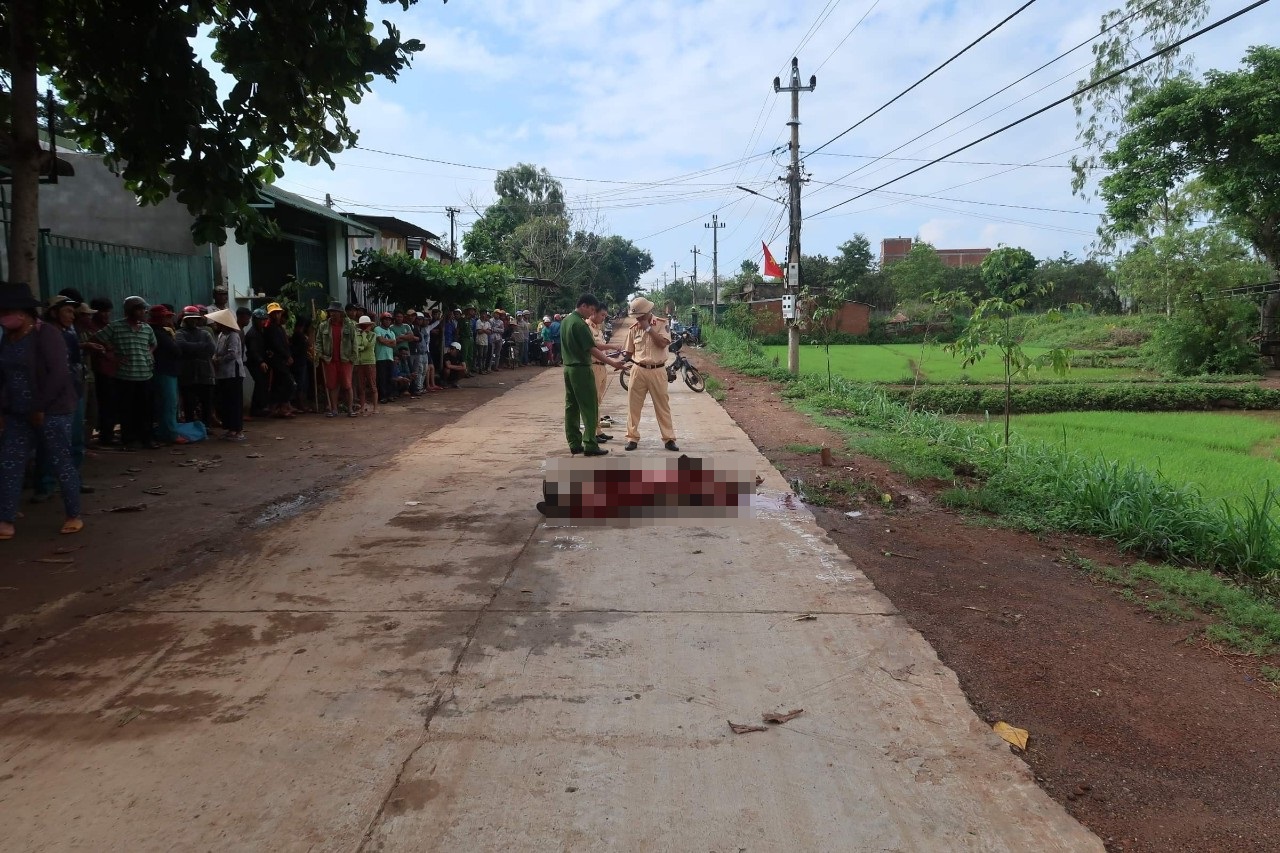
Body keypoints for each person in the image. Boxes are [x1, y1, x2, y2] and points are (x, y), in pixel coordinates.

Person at [0, 282, 84, 539]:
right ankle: (6, 518)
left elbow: (58, 374)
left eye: (6, 312)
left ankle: (73, 514)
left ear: (23, 312)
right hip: (17, 411)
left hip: (52, 409)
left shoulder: (45, 334)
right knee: (10, 463)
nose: (3, 318)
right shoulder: (8, 337)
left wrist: (40, 407)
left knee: (60, 461)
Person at [33, 295, 93, 503]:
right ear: (53, 312)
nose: (71, 315)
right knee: (49, 443)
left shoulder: (69, 334)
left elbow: (74, 364)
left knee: (75, 441)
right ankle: (45, 485)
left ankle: (72, 480)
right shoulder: (40, 335)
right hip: (51, 398)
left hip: (72, 394)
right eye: (67, 311)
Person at [560, 293, 624, 457]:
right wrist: (614, 363)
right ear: (584, 306)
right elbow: (592, 349)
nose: (592, 314)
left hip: (568, 368)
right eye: (592, 310)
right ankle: (590, 443)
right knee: (590, 407)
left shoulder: (566, 321)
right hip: (581, 369)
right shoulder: (580, 325)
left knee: (571, 407)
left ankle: (574, 443)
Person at [94, 295, 158, 450]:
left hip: (145, 374)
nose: (144, 312)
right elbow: (96, 339)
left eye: (144, 309)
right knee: (127, 410)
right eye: (140, 309)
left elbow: (153, 344)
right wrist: (110, 355)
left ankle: (147, 439)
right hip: (125, 376)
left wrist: (148, 354)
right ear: (130, 310)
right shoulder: (115, 327)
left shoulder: (146, 328)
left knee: (146, 410)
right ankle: (129, 440)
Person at [623, 296, 679, 452]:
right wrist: (619, 359)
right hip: (638, 370)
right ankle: (632, 438)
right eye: (636, 316)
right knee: (633, 406)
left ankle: (669, 439)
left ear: (649, 312)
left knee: (662, 406)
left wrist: (648, 328)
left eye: (640, 315)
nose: (638, 318)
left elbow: (662, 344)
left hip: (657, 370)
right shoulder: (634, 328)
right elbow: (629, 351)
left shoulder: (662, 324)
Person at [147, 304, 184, 444]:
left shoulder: (160, 331)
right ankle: (170, 433)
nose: (169, 319)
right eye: (167, 316)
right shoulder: (159, 333)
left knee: (167, 403)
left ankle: (166, 431)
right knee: (169, 403)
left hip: (165, 370)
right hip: (164, 371)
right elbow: (176, 351)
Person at [208, 308, 246, 441]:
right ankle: (230, 428)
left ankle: (237, 429)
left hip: (233, 373)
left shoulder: (233, 335)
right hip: (223, 373)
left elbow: (233, 354)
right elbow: (217, 350)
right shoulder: (221, 335)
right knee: (225, 402)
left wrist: (218, 360)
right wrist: (214, 358)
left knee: (234, 402)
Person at [176, 305, 217, 428]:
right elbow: (181, 347)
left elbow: (211, 349)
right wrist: (200, 346)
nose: (193, 320)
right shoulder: (179, 333)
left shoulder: (205, 333)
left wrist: (192, 348)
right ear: (185, 319)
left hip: (205, 373)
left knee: (207, 403)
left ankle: (206, 427)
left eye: (195, 318)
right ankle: (190, 428)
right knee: (189, 404)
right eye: (190, 318)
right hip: (187, 374)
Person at [316, 300, 356, 418]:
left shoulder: (349, 325)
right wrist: (319, 354)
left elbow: (354, 342)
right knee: (332, 385)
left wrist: (353, 358)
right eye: (331, 312)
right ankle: (334, 409)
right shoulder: (323, 326)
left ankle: (350, 409)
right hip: (329, 359)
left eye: (335, 312)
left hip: (346, 359)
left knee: (347, 385)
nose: (332, 314)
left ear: (341, 313)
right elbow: (318, 342)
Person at [263, 302, 296, 418]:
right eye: (274, 313)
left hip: (282, 360)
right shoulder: (270, 327)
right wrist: (287, 356)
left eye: (278, 313)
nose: (277, 315)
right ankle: (281, 407)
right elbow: (276, 345)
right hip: (276, 360)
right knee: (287, 382)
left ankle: (278, 407)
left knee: (280, 384)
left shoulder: (279, 327)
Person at [588, 304, 614, 443]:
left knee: (598, 400)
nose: (603, 318)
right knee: (592, 401)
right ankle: (593, 432)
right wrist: (612, 346)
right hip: (593, 367)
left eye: (605, 316)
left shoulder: (598, 328)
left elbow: (601, 348)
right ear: (593, 312)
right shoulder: (587, 327)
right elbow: (594, 346)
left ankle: (598, 430)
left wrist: (610, 354)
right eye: (602, 315)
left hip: (602, 367)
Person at [244, 308, 271, 418]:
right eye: (261, 320)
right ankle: (255, 409)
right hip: (255, 363)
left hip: (260, 361)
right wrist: (261, 361)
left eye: (265, 319)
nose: (264, 322)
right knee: (260, 383)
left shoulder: (260, 331)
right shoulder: (252, 334)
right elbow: (253, 351)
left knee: (262, 384)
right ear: (255, 320)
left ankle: (260, 407)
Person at [353, 315, 379, 415]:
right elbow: (357, 346)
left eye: (366, 325)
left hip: (370, 362)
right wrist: (362, 337)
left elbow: (366, 346)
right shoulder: (357, 335)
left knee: (373, 385)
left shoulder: (373, 335)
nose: (364, 327)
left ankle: (375, 408)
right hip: (359, 363)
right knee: (361, 386)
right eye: (363, 326)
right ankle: (362, 407)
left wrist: (364, 334)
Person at [373, 311, 399, 403]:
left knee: (389, 377)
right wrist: (389, 342)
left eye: (389, 320)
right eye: (386, 320)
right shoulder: (377, 329)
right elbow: (380, 340)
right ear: (382, 320)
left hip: (389, 357)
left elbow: (394, 344)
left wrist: (386, 342)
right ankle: (382, 396)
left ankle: (389, 395)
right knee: (382, 378)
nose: (388, 321)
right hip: (380, 357)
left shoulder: (391, 332)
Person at [290, 315, 314, 412]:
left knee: (303, 383)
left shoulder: (298, 334)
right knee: (301, 384)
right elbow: (309, 344)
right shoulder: (299, 335)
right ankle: (300, 404)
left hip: (301, 361)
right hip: (299, 362)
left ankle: (301, 403)